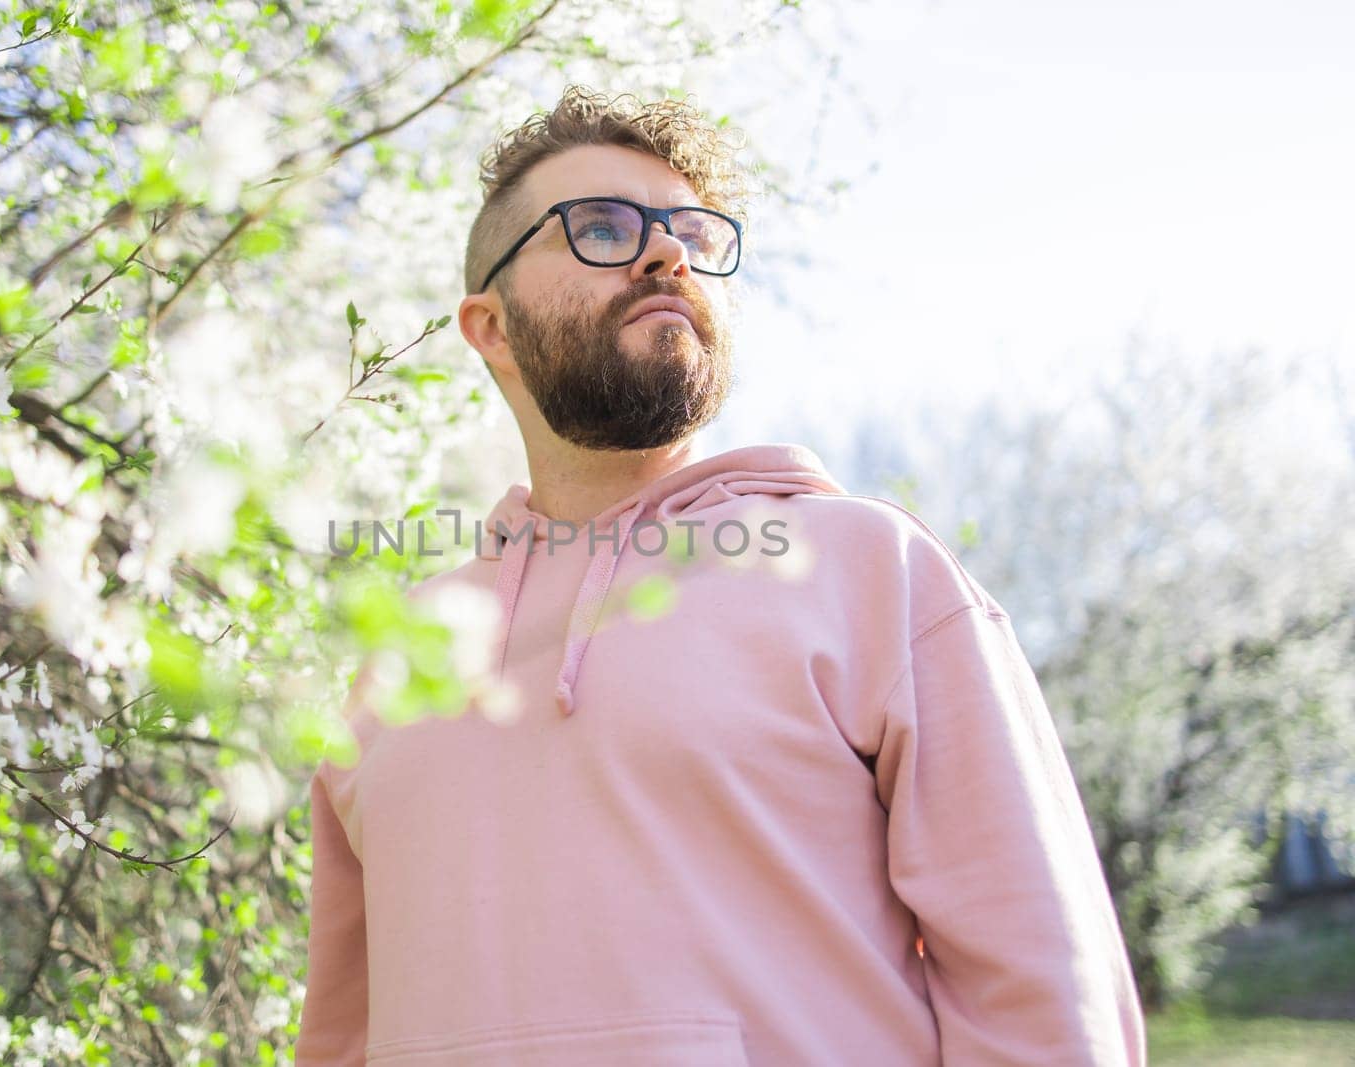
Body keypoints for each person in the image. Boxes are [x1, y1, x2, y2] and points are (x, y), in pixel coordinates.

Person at [293, 84, 1146, 1066]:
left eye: (692, 232)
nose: (667, 253)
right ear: (489, 326)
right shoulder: (397, 658)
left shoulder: (871, 570)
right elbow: (343, 1042)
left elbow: (1044, 999)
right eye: (601, 226)